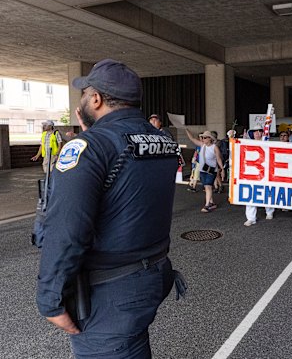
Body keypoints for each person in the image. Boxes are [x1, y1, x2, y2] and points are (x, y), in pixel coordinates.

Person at [36, 59, 185, 358]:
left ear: (96, 99)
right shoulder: (163, 140)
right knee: (131, 344)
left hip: (111, 289)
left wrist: (49, 299)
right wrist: (95, 132)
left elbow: (66, 229)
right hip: (151, 272)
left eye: (84, 94)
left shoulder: (89, 147)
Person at [242, 125, 275, 226]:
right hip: (252, 173)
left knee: (267, 193)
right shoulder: (247, 143)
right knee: (250, 194)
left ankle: (269, 212)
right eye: (255, 131)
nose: (257, 133)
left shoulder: (267, 143)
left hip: (265, 173)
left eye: (259, 131)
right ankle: (251, 218)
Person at [185, 129, 225, 212]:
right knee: (207, 187)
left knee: (208, 186)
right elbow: (192, 139)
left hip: (211, 170)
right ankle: (212, 203)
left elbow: (218, 159)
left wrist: (222, 169)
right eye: (203, 137)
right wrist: (186, 129)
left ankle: (207, 205)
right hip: (202, 169)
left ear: (210, 138)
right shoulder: (202, 145)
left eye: (206, 137)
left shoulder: (215, 147)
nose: (203, 139)